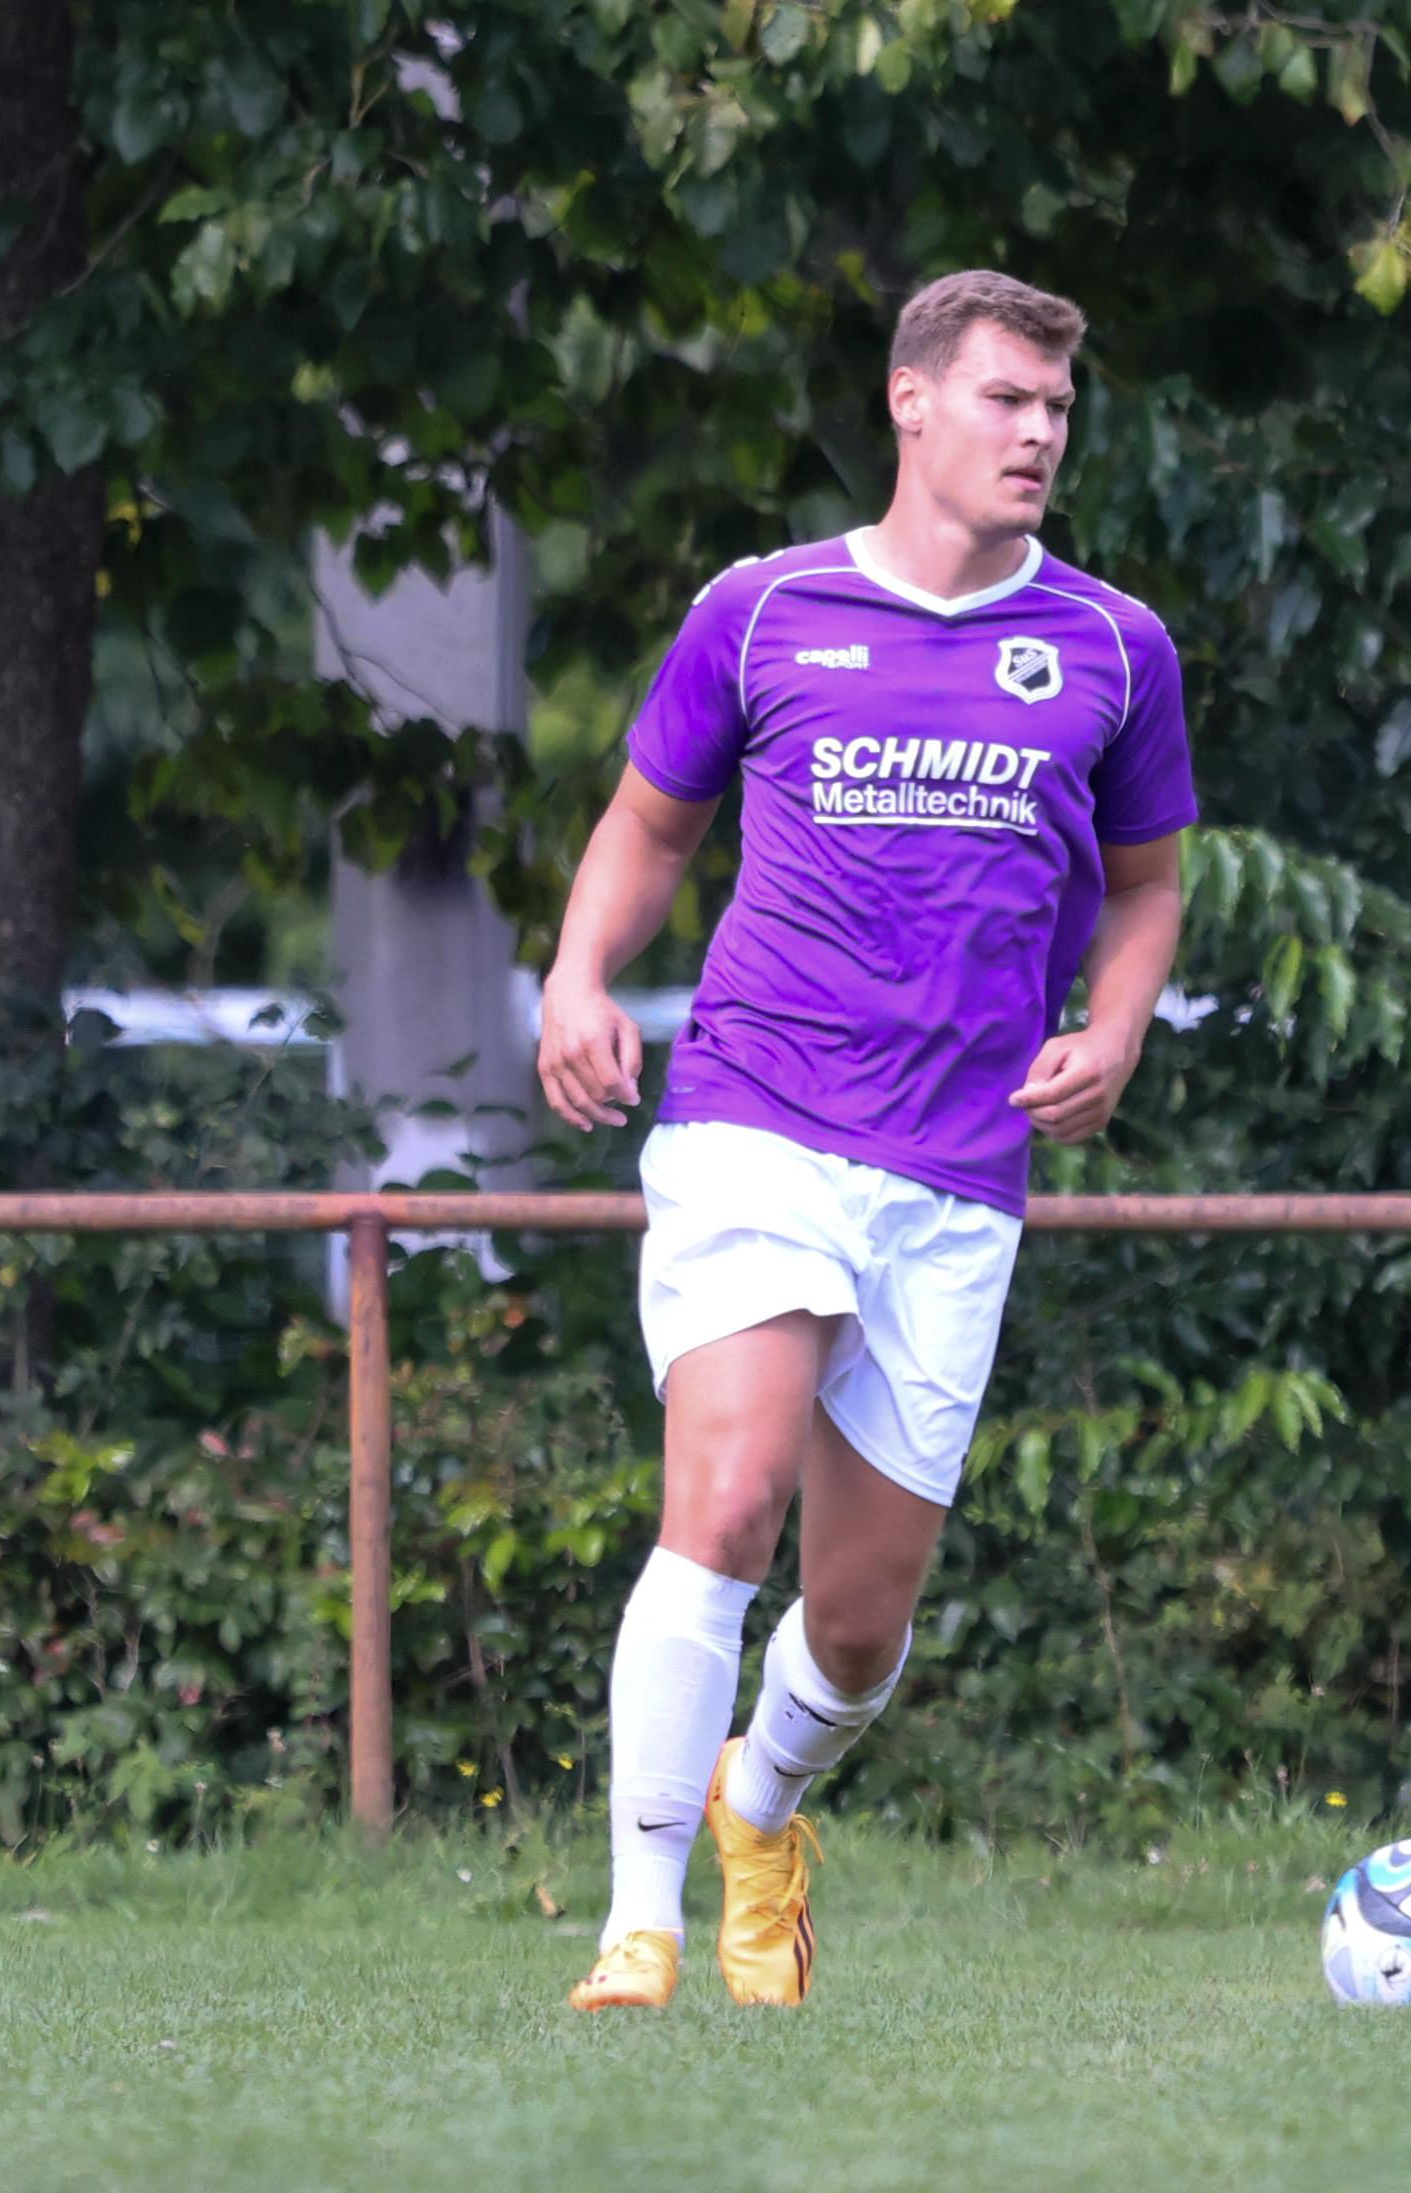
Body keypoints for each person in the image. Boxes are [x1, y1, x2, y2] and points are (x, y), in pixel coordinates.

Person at [535, 270, 1194, 2011]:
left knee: (855, 1622)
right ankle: (638, 1926)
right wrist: (578, 975)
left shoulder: (1117, 649)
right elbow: (648, 825)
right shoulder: (763, 611)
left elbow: (1147, 887)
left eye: (1058, 407)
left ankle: (762, 1806)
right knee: (725, 1495)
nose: (1039, 434)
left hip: (958, 1169)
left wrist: (1116, 1025)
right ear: (912, 402)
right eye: (1006, 399)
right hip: (757, 1114)